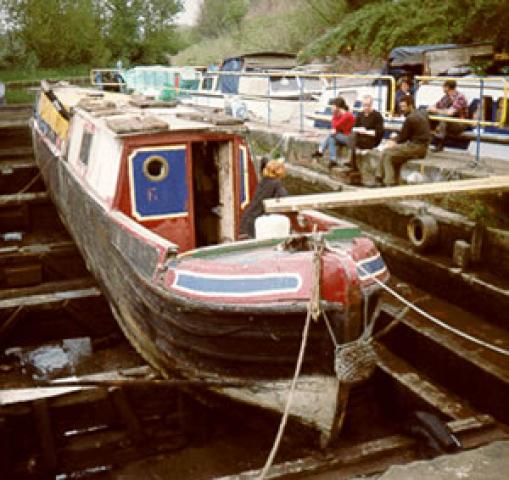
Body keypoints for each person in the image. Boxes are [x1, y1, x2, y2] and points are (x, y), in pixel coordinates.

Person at [375, 95, 430, 186]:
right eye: (401, 107)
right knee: (389, 153)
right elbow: (406, 135)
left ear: (410, 106)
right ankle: (382, 178)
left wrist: (393, 141)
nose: (402, 109)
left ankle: (388, 182)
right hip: (421, 147)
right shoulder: (421, 113)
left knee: (388, 154)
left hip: (416, 147)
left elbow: (402, 138)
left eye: (404, 107)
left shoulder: (410, 118)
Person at [239, 158, 288, 239]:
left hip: (246, 221)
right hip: (257, 223)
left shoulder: (263, 182)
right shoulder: (276, 184)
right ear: (279, 171)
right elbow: (284, 200)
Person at [312, 96, 355, 168]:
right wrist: (335, 116)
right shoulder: (339, 115)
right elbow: (334, 126)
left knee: (332, 135)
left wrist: (334, 115)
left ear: (338, 107)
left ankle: (320, 151)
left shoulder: (347, 115)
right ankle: (333, 160)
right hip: (341, 137)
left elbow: (336, 125)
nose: (331, 108)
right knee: (332, 138)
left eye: (333, 106)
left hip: (349, 138)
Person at [427, 79, 468, 152]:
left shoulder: (460, 97)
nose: (442, 88)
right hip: (449, 121)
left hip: (460, 123)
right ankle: (424, 140)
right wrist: (431, 109)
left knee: (444, 117)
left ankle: (439, 143)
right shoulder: (446, 97)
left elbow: (450, 113)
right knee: (428, 114)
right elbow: (435, 106)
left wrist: (436, 110)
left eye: (443, 86)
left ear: (447, 87)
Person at [350, 95, 384, 167]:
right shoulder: (360, 114)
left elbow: (379, 133)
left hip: (372, 140)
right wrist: (359, 130)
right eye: (364, 105)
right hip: (361, 138)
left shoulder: (377, 115)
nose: (366, 107)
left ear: (371, 104)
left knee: (354, 139)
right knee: (352, 135)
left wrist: (365, 131)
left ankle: (352, 163)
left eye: (368, 105)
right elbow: (353, 128)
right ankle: (353, 162)